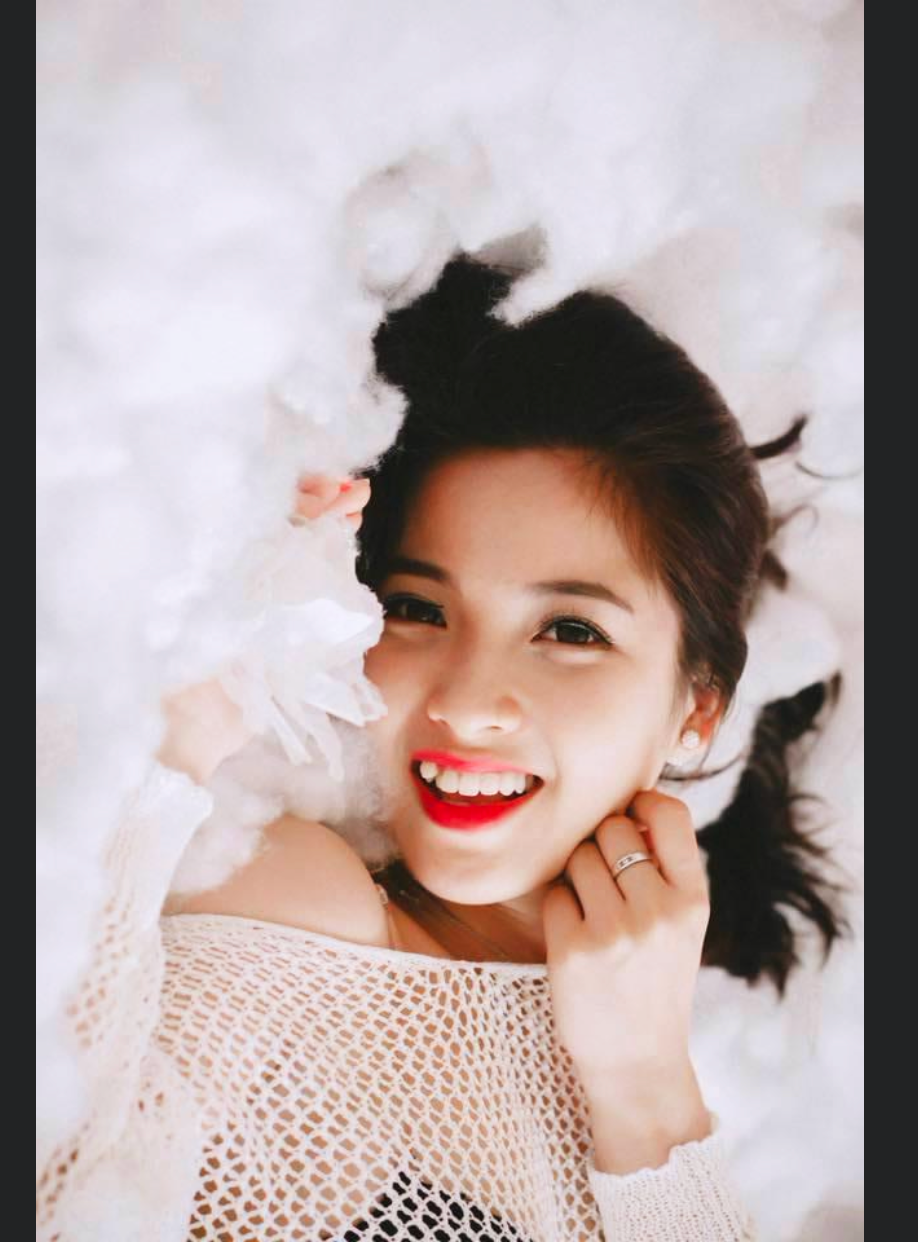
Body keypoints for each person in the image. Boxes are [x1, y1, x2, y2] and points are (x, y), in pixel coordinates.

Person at [40, 254, 852, 1240]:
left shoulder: (658, 1040)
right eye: (418, 609)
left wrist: (648, 1089)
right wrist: (181, 733)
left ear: (700, 709)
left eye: (571, 630)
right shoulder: (302, 924)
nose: (468, 706)